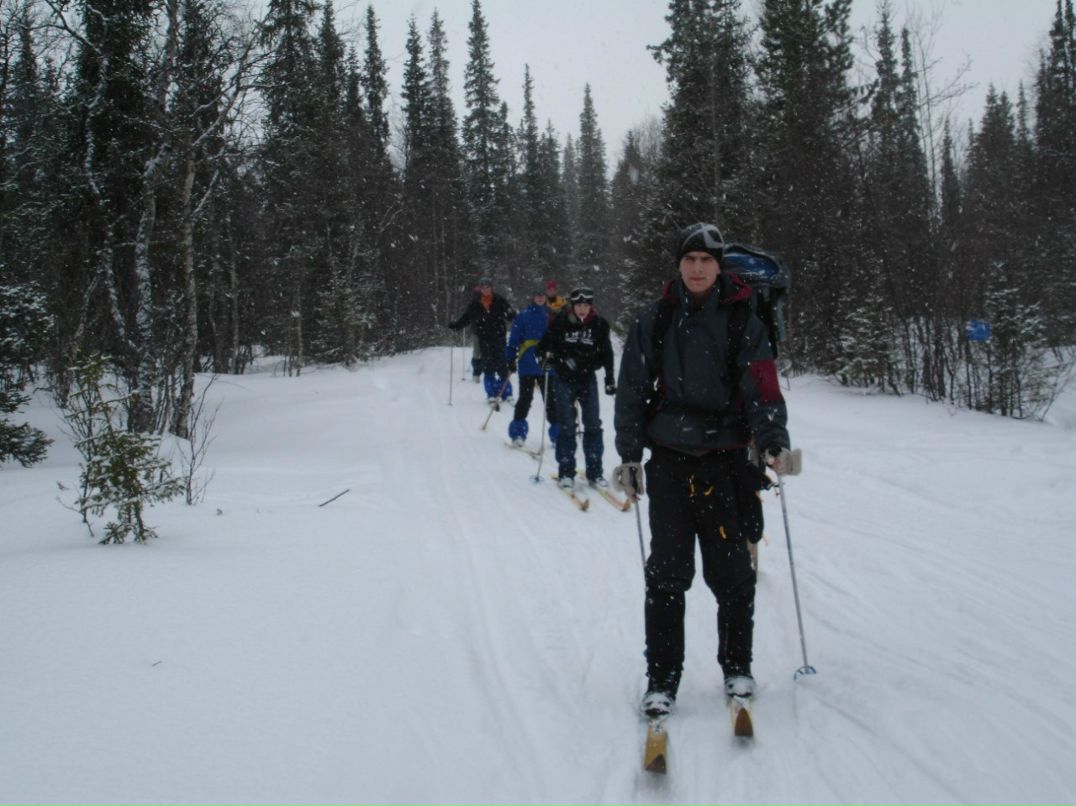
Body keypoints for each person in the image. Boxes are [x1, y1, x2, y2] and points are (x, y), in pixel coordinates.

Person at [611, 222, 796, 720]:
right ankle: (662, 679)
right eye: (689, 260)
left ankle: (737, 667)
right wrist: (629, 455)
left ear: (719, 267)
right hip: (670, 464)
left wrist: (773, 440)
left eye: (706, 261)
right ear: (678, 265)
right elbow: (632, 389)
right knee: (666, 578)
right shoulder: (655, 318)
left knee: (733, 577)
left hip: (727, 465)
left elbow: (763, 388)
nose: (697, 269)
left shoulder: (743, 320)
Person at [537, 286, 615, 490]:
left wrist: (609, 378)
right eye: (579, 305)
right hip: (564, 379)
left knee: (593, 424)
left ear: (591, 306)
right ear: (572, 306)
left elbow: (607, 353)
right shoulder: (560, 321)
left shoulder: (600, 324)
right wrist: (548, 360)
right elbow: (544, 346)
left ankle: (595, 472)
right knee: (567, 425)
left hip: (587, 379)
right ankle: (566, 473)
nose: (582, 309)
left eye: (586, 305)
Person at [506, 288, 559, 447]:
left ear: (546, 297)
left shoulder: (552, 315)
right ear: (533, 297)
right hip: (527, 363)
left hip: (547, 363)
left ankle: (558, 435)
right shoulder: (523, 315)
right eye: (537, 296)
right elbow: (514, 339)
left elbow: (560, 338)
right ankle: (518, 433)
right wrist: (510, 359)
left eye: (542, 296)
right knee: (525, 398)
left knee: (551, 401)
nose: (540, 298)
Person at [449, 277, 515, 403]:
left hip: (499, 337)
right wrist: (456, 326)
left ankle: (507, 393)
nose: (485, 289)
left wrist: (511, 314)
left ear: (491, 288)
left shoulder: (499, 300)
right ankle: (491, 394)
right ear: (480, 289)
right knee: (489, 366)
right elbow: (467, 317)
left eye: (487, 287)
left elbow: (510, 313)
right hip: (484, 338)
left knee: (502, 365)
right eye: (483, 287)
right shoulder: (475, 303)